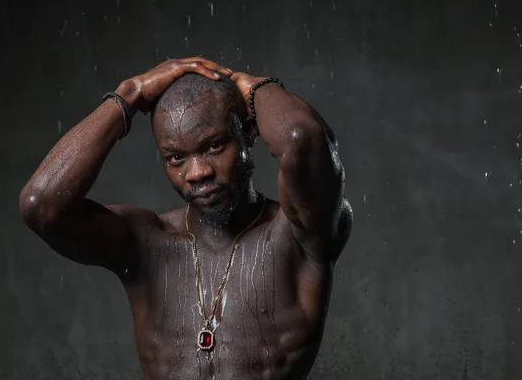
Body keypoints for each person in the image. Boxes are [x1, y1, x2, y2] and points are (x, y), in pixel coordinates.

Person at [19, 57, 353, 379]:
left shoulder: (299, 234)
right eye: (176, 158)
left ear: (249, 133)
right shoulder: (145, 243)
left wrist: (253, 87)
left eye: (214, 146)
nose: (197, 172)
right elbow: (41, 204)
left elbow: (302, 140)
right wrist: (129, 94)